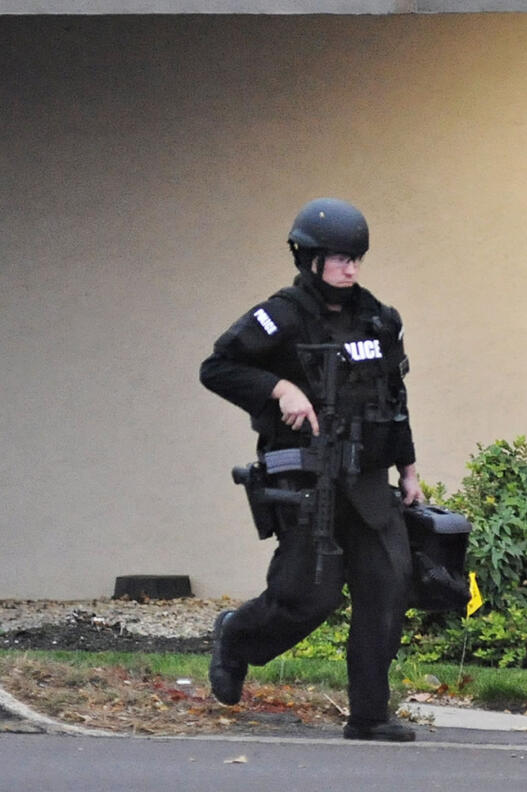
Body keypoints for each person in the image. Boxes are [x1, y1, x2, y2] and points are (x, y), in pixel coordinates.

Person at [199, 197, 421, 742]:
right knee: (309, 595)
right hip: (307, 478)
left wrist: (408, 468)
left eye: (357, 258)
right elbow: (218, 367)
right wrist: (280, 387)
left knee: (388, 587)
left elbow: (394, 397)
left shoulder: (378, 318)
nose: (351, 268)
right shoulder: (282, 314)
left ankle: (369, 716)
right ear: (311, 258)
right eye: (340, 258)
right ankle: (236, 638)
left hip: (367, 479)